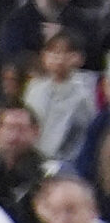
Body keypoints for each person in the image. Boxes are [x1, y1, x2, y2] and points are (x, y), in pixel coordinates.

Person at [23, 29, 100, 169]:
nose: (59, 58)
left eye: (66, 52)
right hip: (34, 158)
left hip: (69, 160)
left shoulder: (86, 89)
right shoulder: (35, 87)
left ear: (79, 57)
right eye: (53, 52)